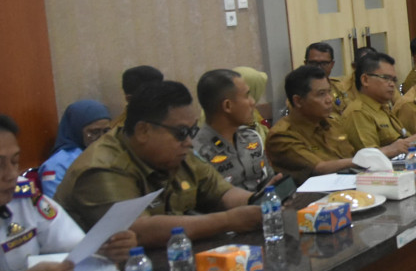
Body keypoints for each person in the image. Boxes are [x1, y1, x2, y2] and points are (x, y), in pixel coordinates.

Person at [54, 81, 261, 246]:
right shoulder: (102, 167)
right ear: (144, 131)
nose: (189, 142)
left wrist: (260, 202)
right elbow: (138, 230)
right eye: (181, 132)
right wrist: (227, 221)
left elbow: (222, 193)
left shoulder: (177, 152)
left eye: (192, 131)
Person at [1, 115, 135, 271]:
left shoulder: (23, 197)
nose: (11, 175)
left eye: (14, 162)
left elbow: (73, 246)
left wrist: (107, 247)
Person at [267, 66, 413, 180]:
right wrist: (382, 152)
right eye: (321, 94)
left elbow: (350, 157)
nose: (329, 99)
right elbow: (320, 168)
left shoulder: (332, 124)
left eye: (329, 92)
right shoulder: (282, 136)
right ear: (298, 101)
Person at [192, 69, 271, 192]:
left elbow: (268, 179)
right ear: (227, 106)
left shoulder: (252, 137)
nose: (253, 102)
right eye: (246, 95)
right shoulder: (197, 153)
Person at [339, 52, 416, 152]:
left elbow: (401, 137)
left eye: (394, 80)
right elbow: (370, 157)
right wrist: (415, 140)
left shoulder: (383, 107)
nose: (392, 84)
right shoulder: (358, 112)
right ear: (365, 80)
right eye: (386, 78)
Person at [37, 100, 111, 198]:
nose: (102, 138)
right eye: (94, 132)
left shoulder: (110, 154)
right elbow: (55, 206)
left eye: (106, 131)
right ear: (77, 130)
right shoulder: (56, 165)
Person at [112, 65, 163, 130]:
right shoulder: (119, 131)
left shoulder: (169, 117)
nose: (160, 100)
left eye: (160, 94)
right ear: (130, 99)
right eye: (151, 96)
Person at [303, 42, 348, 112]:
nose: (318, 68)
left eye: (324, 63)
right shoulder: (300, 92)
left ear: (332, 64)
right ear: (305, 64)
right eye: (313, 63)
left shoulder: (338, 87)